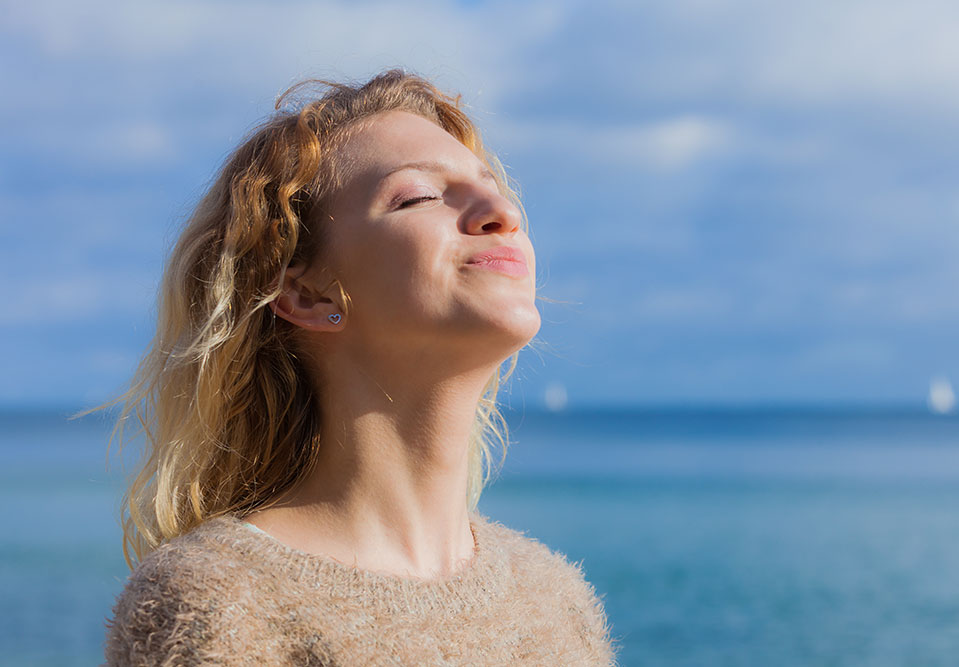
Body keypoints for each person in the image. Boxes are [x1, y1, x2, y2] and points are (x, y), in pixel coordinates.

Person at [101, 69, 618, 665]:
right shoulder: (220, 601)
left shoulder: (555, 600)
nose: (501, 211)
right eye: (419, 195)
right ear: (307, 295)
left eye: (494, 186)